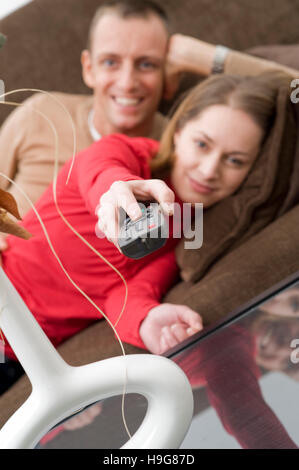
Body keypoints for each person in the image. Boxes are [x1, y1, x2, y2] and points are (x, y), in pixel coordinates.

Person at [0, 70, 289, 370]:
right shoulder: (122, 152)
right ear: (178, 132)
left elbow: (124, 298)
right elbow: (99, 169)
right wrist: (114, 190)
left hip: (21, 358)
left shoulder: (186, 237)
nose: (208, 170)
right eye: (202, 144)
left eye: (234, 161)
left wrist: (146, 321)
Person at [0, 0, 298, 221]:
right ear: (88, 69)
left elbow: (293, 94)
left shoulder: (180, 153)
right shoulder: (41, 112)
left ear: (168, 76)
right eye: (110, 62)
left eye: (147, 64)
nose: (128, 83)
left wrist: (206, 57)